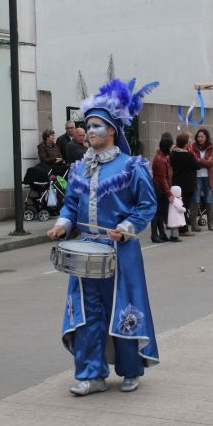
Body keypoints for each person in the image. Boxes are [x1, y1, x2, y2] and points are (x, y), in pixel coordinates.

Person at [47, 77, 160, 396]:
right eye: (89, 125)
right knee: (86, 313)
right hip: (86, 249)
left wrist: (125, 228)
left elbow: (147, 204)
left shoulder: (131, 167)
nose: (91, 131)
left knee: (121, 308)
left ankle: (130, 369)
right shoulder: (80, 169)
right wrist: (63, 224)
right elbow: (71, 203)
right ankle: (91, 373)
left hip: (120, 250)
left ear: (112, 131)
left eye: (97, 126)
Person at [170, 133, 201, 236]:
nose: (191, 142)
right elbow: (197, 166)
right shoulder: (188, 155)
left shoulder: (173, 154)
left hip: (176, 183)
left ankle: (180, 227)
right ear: (185, 143)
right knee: (184, 207)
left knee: (178, 206)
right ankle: (183, 229)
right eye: (189, 141)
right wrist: (194, 154)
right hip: (187, 184)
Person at [190, 128, 213, 231]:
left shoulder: (211, 147)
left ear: (206, 137)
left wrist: (199, 161)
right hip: (196, 176)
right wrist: (204, 162)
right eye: (198, 136)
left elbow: (211, 163)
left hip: (208, 176)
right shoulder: (192, 147)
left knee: (209, 198)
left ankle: (210, 223)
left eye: (202, 137)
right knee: (195, 199)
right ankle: (193, 224)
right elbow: (193, 161)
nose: (200, 138)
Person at [151, 133, 174, 243]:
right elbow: (162, 178)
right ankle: (154, 235)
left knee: (160, 212)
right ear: (166, 147)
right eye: (171, 146)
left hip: (160, 187)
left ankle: (162, 233)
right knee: (157, 213)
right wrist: (169, 194)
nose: (172, 148)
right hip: (158, 188)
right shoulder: (160, 159)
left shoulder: (163, 157)